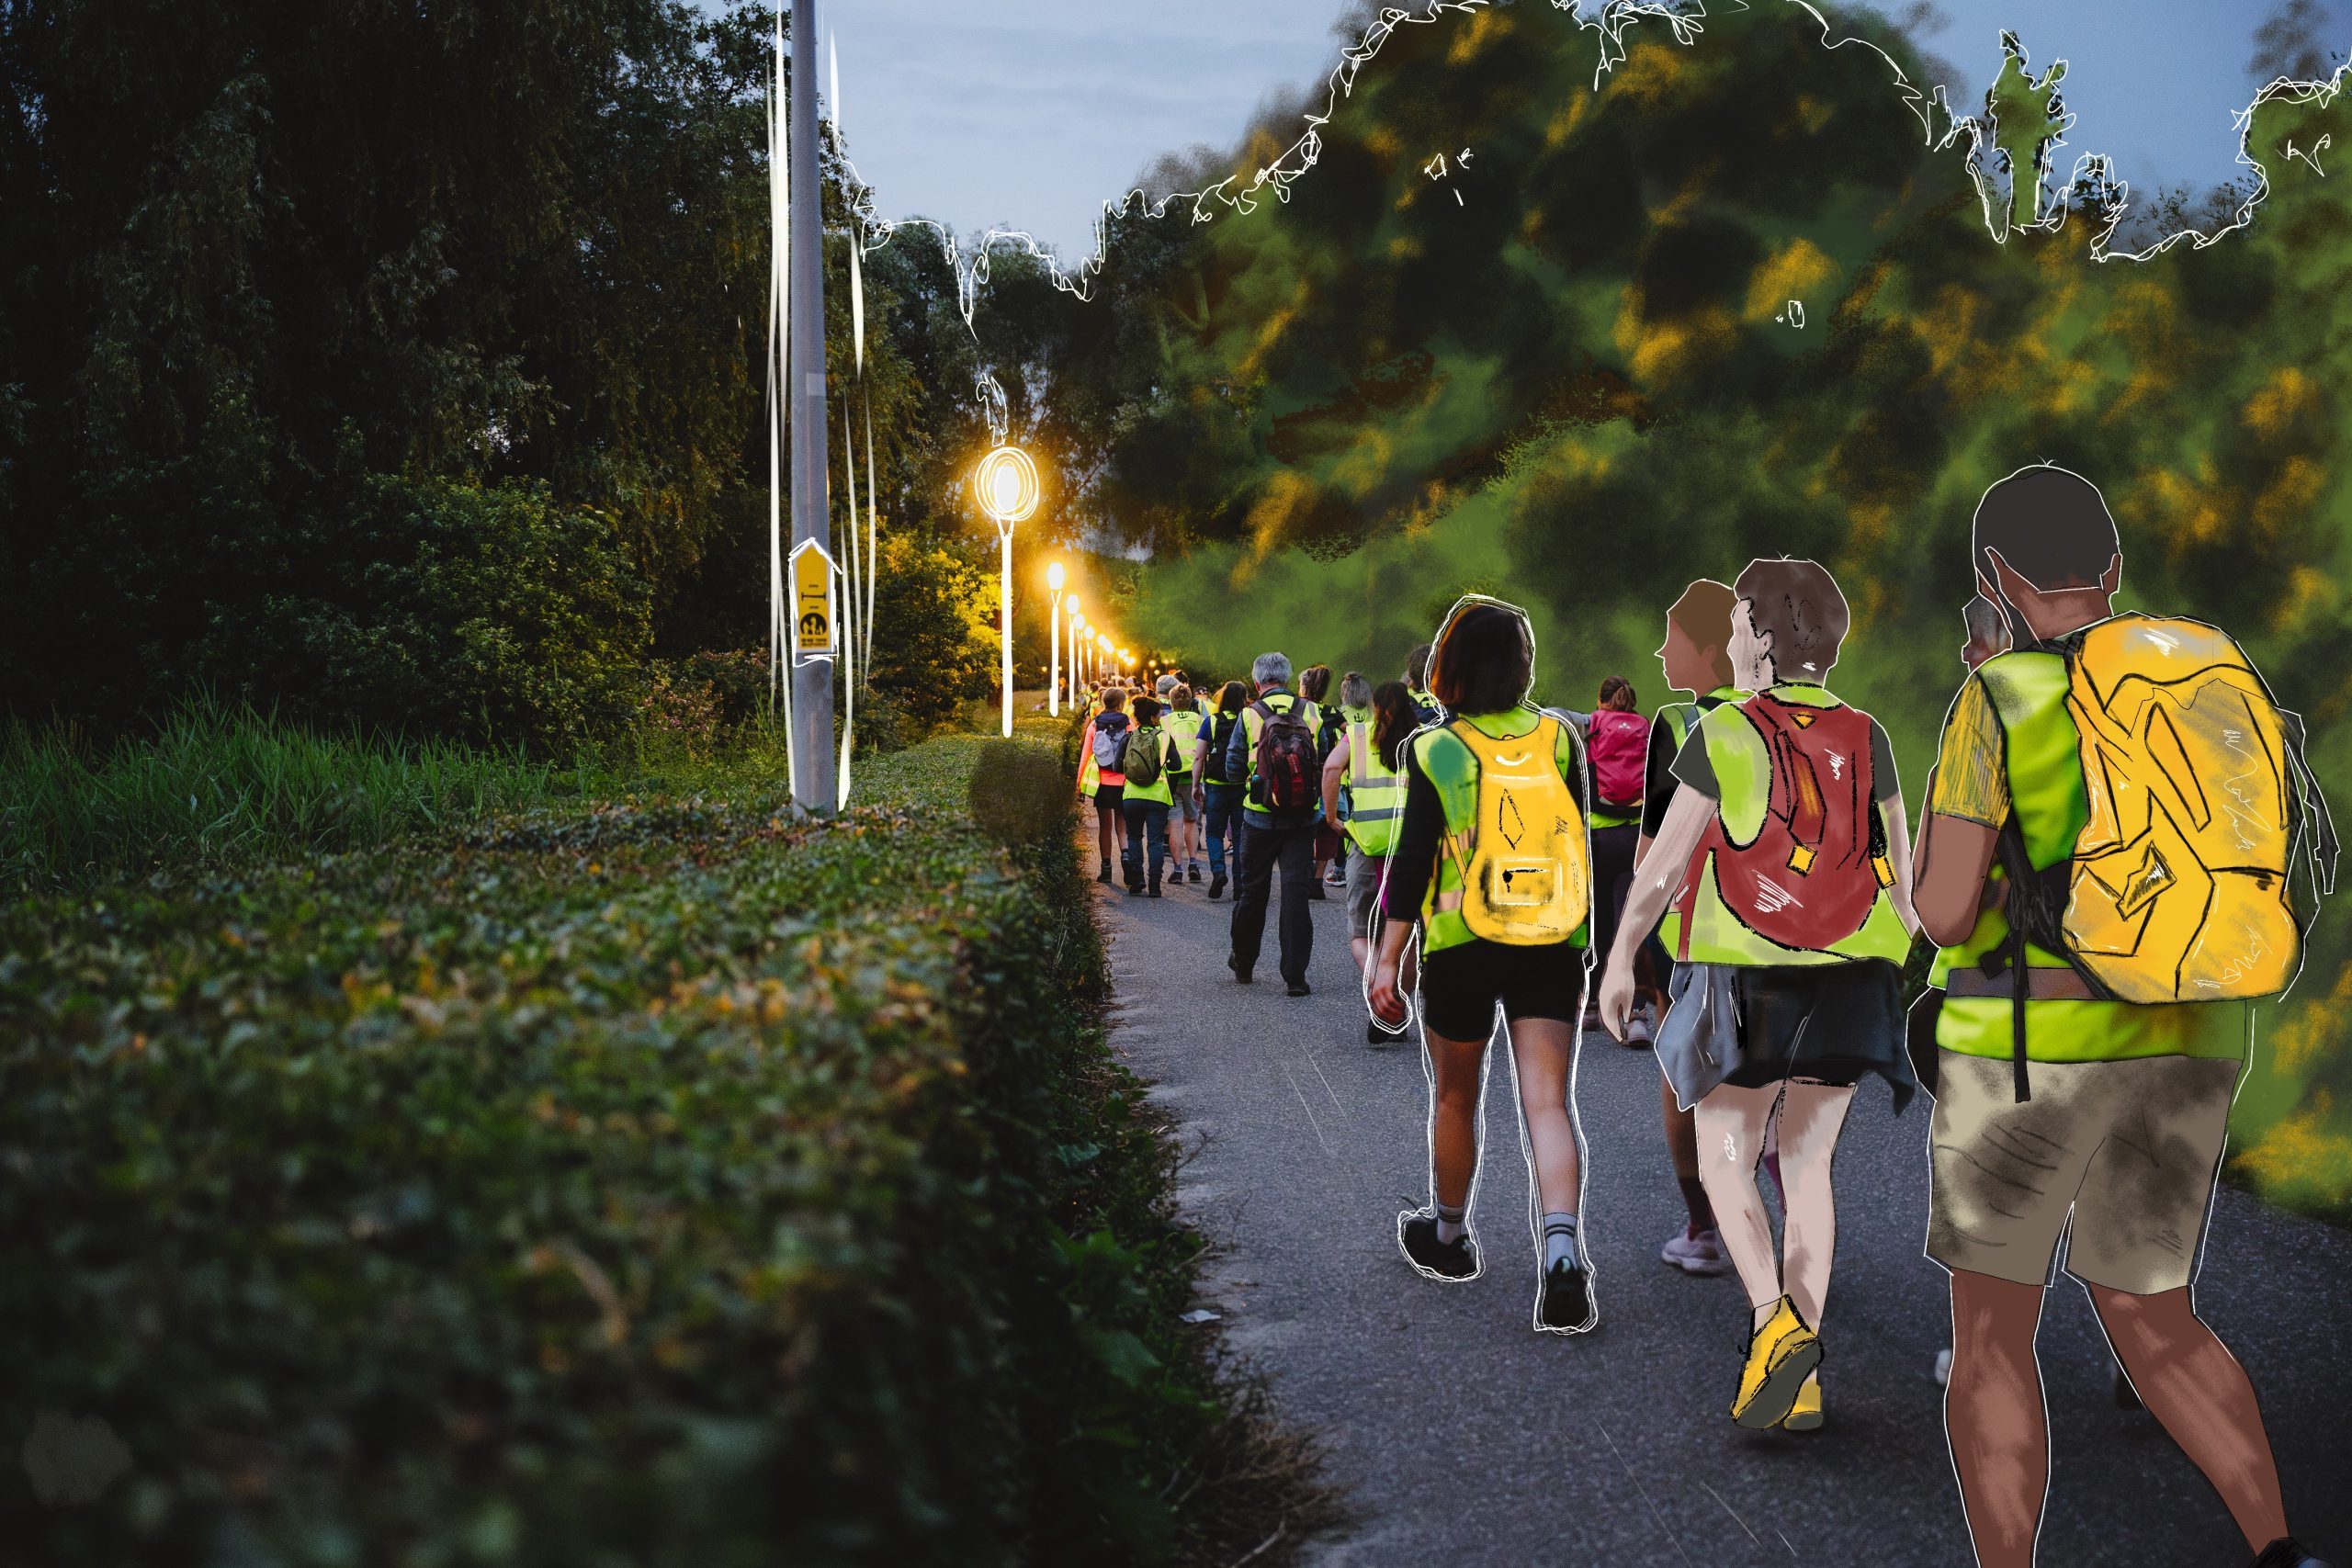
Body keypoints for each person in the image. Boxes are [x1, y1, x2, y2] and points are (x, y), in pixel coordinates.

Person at [1913, 466, 2335, 1568]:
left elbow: (1944, 911)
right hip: (2195, 1033)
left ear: (1995, 576)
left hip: (2029, 1050)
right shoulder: (2209, 677)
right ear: (2109, 567)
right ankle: (2279, 1549)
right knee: (2155, 1317)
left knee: (1993, 1336)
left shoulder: (2001, 696)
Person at [1600, 558, 1921, 1434]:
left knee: (1726, 1156)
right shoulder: (1870, 734)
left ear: (1767, 637)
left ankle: (1772, 1326)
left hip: (1749, 973)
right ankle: (1798, 1368)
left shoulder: (1726, 731)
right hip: (1851, 978)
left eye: (1741, 621)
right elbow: (1904, 881)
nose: (1734, 634)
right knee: (1809, 1170)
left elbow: (1664, 868)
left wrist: (1621, 956)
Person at [1368, 598, 1598, 1334]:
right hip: (1552, 938)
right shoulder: (1560, 739)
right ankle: (1562, 1255)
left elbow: (1410, 864)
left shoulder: (1436, 749)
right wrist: (1588, 940)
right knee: (1548, 1102)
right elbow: (1577, 838)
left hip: (1461, 942)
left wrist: (1386, 961)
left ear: (1451, 666)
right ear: (1522, 666)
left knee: (1456, 1098)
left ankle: (1448, 1234)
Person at [1633, 581, 1746, 1279]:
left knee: (1685, 1075)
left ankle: (1703, 1230)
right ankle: (1791, 1226)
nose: (1662, 653)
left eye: (1672, 640)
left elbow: (1652, 852)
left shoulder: (1676, 723)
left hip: (1696, 930)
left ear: (1708, 651)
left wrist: (1630, 941)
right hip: (1786, 931)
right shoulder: (1785, 714)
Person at [1324, 672, 1436, 1043]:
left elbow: (1331, 769)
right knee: (1407, 933)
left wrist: (1332, 817)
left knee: (1361, 932)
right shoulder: (1423, 739)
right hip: (1412, 847)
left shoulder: (1357, 735)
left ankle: (1380, 989)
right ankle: (1395, 1001)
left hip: (1367, 844)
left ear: (1375, 707)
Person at [1225, 652, 1325, 995]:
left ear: (1256, 682)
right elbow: (1324, 759)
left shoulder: (1249, 714)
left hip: (1259, 817)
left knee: (1253, 890)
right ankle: (1295, 976)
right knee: (1295, 892)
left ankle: (1244, 962)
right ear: (1287, 678)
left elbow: (1233, 767)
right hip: (1303, 818)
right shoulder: (1311, 711)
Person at [1583, 676, 1658, 1046]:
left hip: (1598, 839)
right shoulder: (1645, 728)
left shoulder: (1592, 726)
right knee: (1629, 925)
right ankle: (1636, 1014)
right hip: (1635, 839)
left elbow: (1580, 783)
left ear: (1601, 700)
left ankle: (1591, 1006)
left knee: (1595, 924)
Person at [1196, 680, 1251, 898]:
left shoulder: (1211, 721)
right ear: (1243, 699)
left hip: (1216, 785)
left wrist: (1196, 785)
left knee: (1213, 833)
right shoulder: (1247, 720)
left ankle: (1218, 871)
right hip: (1241, 785)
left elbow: (1199, 756)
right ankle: (1239, 886)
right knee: (1239, 836)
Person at [1119, 694, 1178, 897]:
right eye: (1159, 715)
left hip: (1132, 796)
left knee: (1134, 837)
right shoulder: (1164, 737)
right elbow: (1177, 765)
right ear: (1153, 717)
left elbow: (1117, 766)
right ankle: (1155, 885)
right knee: (1155, 841)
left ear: (1136, 717)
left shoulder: (1128, 737)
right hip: (1158, 796)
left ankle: (1137, 880)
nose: (1160, 718)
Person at [1079, 688, 1131, 885]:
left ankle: (1106, 869)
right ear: (1121, 704)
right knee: (1122, 825)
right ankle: (1126, 856)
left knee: (1105, 827)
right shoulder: (1128, 723)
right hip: (1124, 781)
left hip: (1102, 782)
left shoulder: (1095, 724)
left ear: (1103, 702)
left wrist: (1079, 784)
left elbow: (1086, 755)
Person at [1299, 663, 1340, 900]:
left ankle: (1304, 873)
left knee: (1304, 827)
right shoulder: (1332, 712)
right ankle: (1317, 881)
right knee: (1326, 828)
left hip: (1303, 774)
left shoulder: (1298, 708)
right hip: (1329, 774)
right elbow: (1351, 734)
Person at [1161, 684, 1207, 884]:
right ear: (1190, 701)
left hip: (1172, 778)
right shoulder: (1199, 720)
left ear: (1171, 702)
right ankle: (1193, 863)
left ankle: (1178, 869)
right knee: (1192, 821)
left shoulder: (1164, 721)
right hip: (1194, 777)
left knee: (1175, 824)